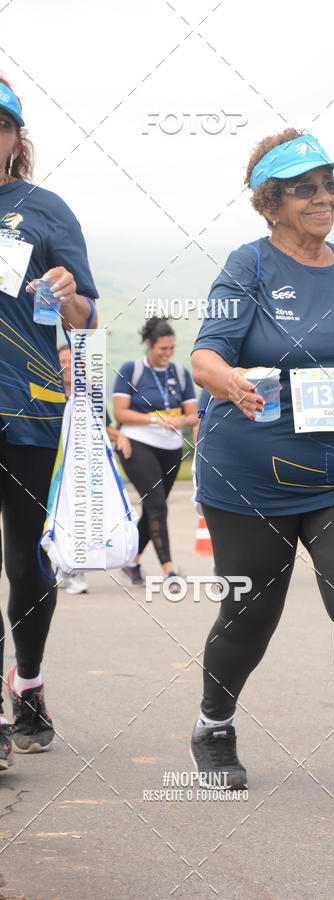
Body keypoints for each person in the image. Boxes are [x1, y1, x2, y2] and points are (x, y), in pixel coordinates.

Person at [190, 128, 334, 819]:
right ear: (271, 202)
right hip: (251, 474)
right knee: (251, 612)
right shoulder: (248, 266)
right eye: (307, 188)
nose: (325, 198)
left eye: (332, 185)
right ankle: (214, 724)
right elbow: (204, 356)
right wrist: (230, 381)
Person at [0, 77, 98, 769]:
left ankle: (27, 682)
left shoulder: (45, 210)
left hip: (29, 409)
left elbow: (86, 314)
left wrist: (68, 297)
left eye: (0, 125)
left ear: (16, 139)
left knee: (28, 567)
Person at [112, 318, 197, 588]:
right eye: (162, 348)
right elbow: (120, 413)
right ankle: (169, 571)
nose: (167, 353)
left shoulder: (181, 374)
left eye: (171, 348)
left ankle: (131, 561)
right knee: (158, 505)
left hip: (171, 446)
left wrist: (183, 420)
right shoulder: (131, 370)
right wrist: (154, 419)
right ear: (149, 344)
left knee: (153, 508)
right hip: (137, 442)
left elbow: (193, 414)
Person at [56, 344, 131, 594]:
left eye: (72, 361)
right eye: (62, 361)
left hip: (83, 465)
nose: (67, 366)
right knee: (55, 515)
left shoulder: (90, 394)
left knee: (80, 514)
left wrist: (118, 436)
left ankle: (75, 571)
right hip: (55, 462)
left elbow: (102, 428)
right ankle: (59, 563)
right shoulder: (50, 393)